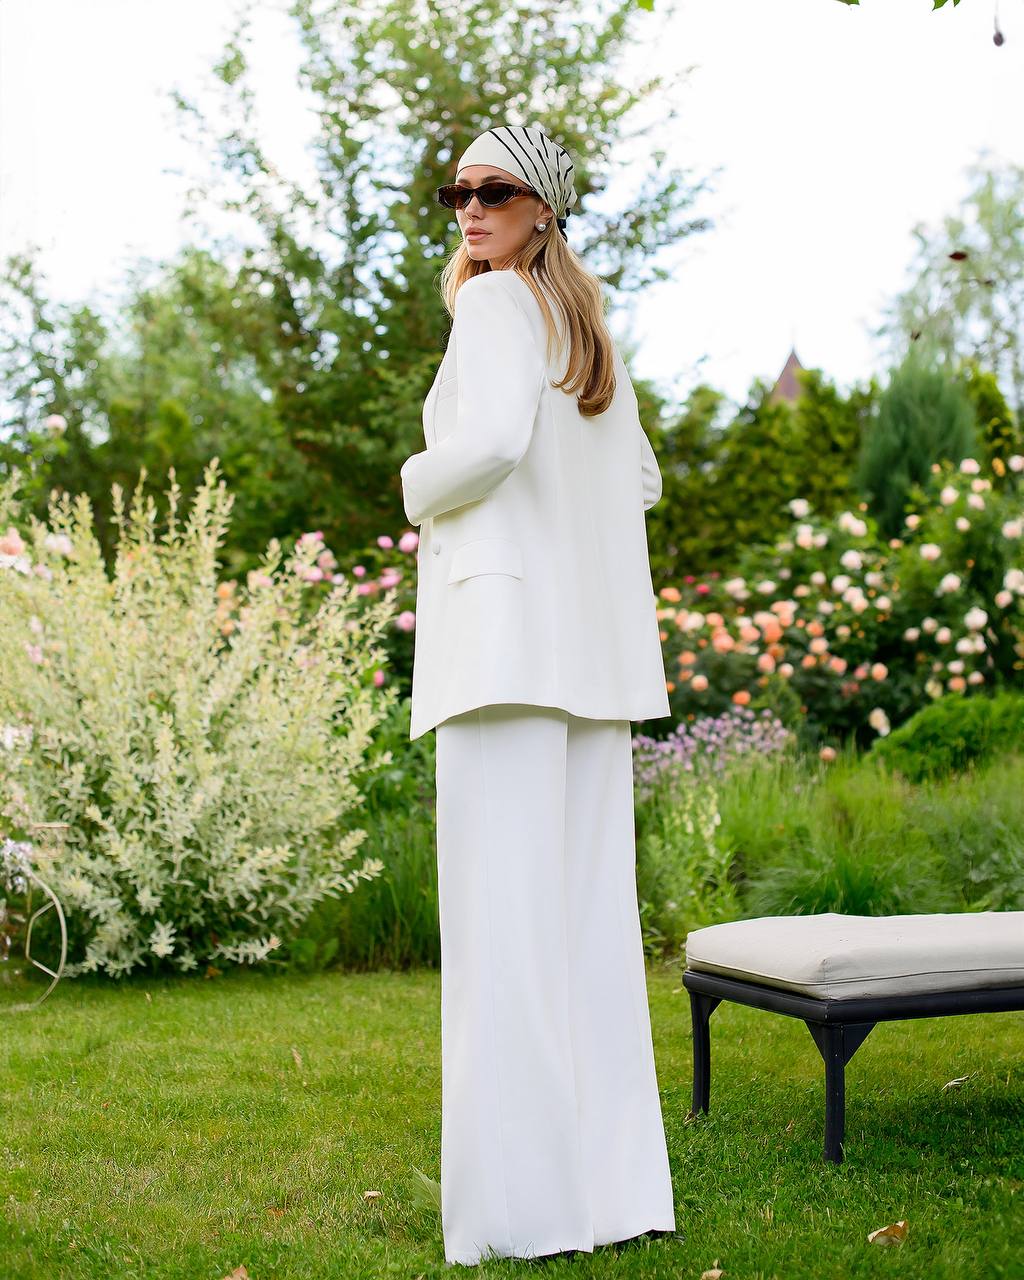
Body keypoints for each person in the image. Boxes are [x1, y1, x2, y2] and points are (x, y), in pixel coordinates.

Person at [399, 122, 675, 1268]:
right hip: (584, 665)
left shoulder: (497, 304)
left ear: (542, 207)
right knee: (584, 937)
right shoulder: (585, 329)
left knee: (505, 938)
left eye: (494, 191)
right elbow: (643, 480)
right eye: (457, 191)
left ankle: (518, 1213)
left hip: (502, 655)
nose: (470, 209)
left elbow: (495, 442)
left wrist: (416, 485)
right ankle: (611, 1196)